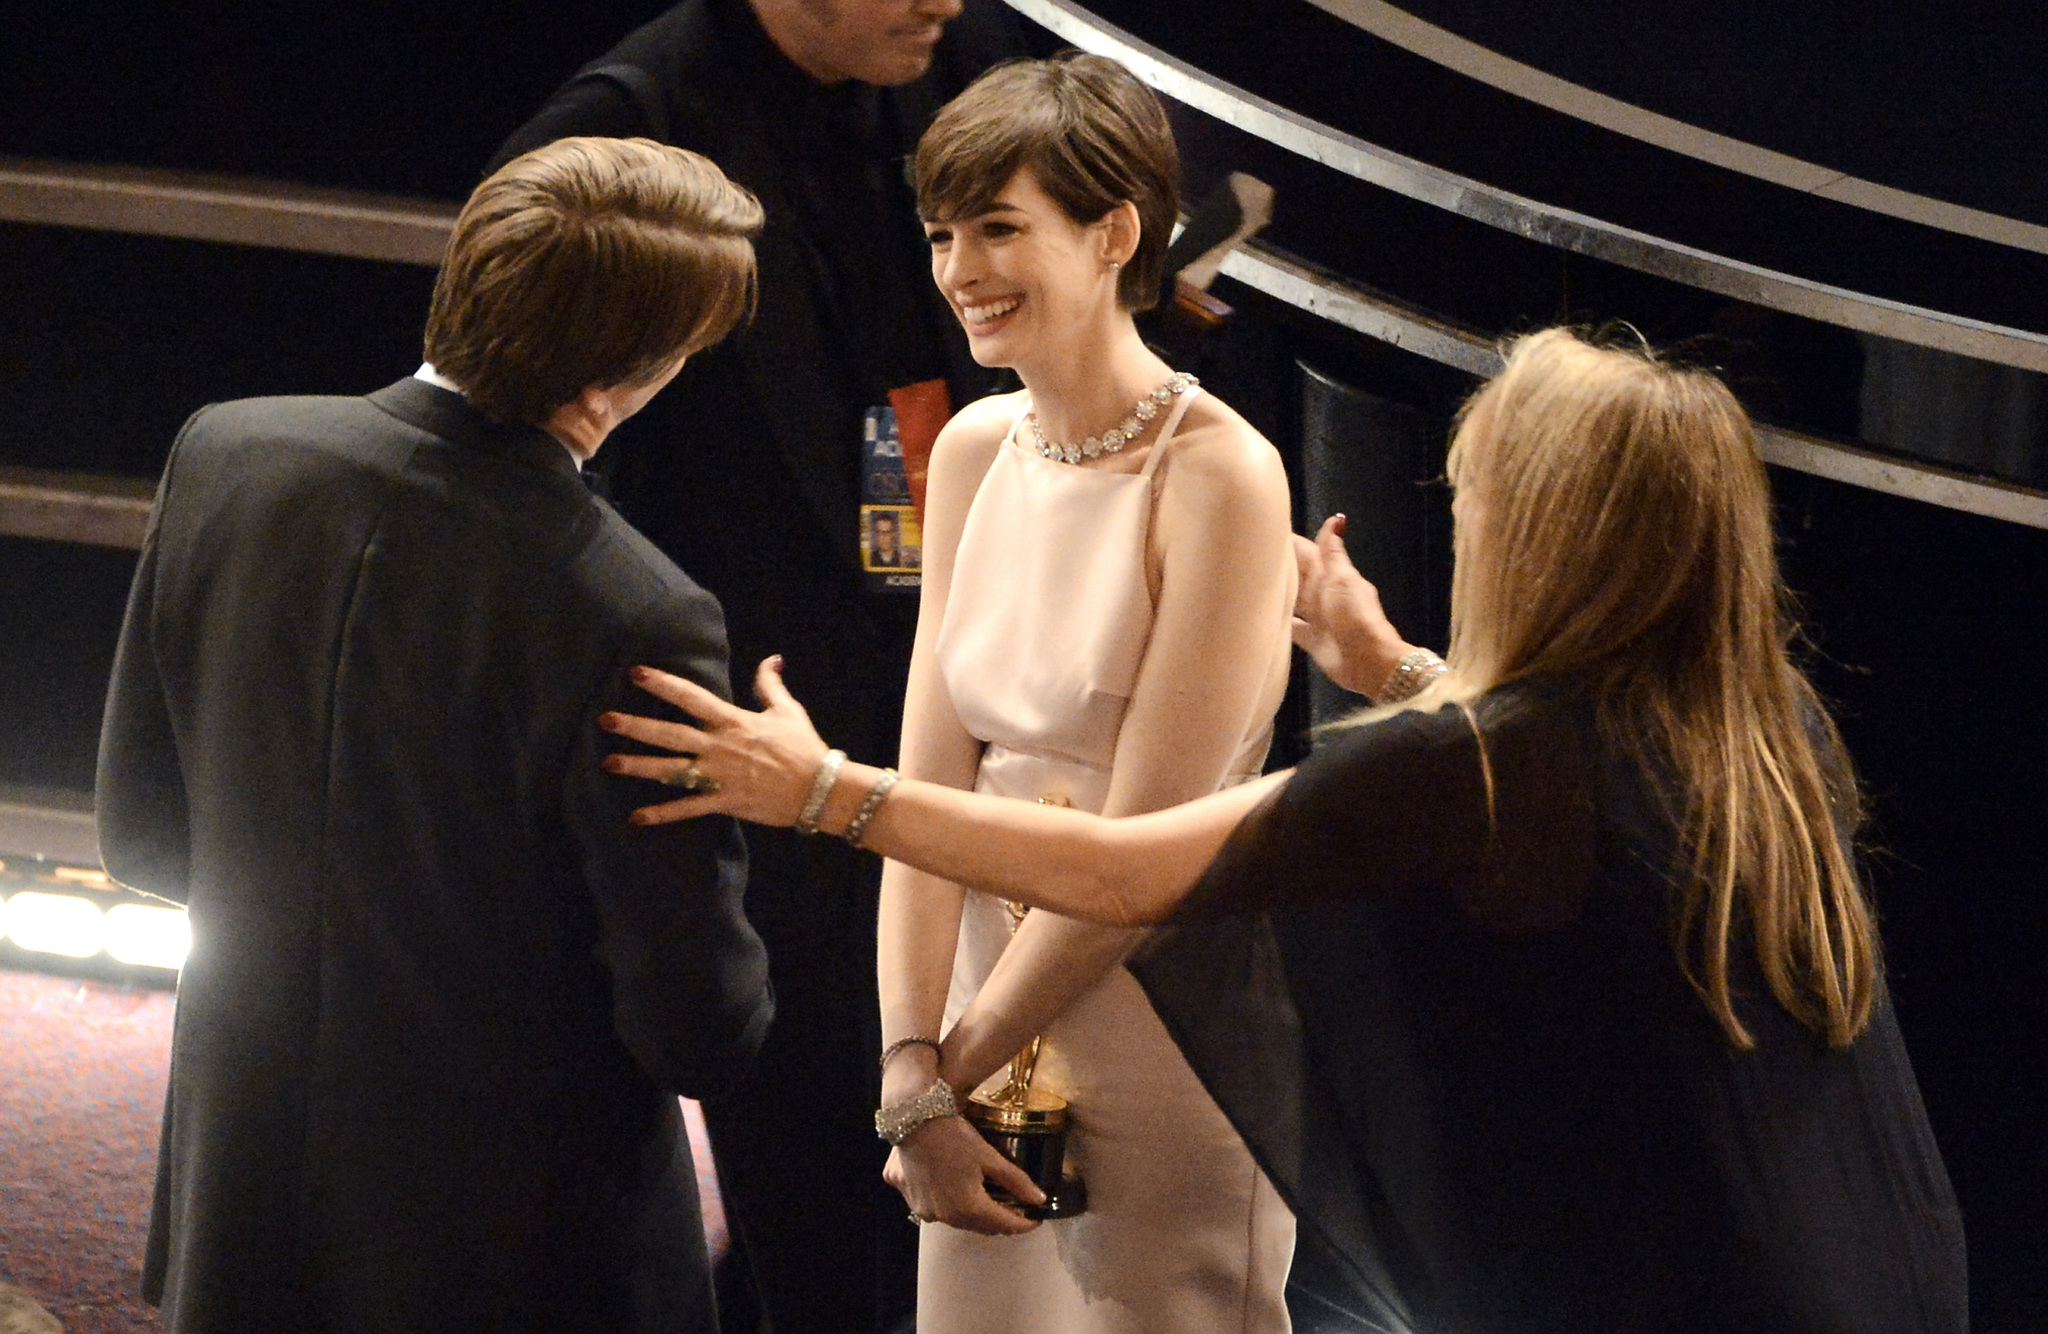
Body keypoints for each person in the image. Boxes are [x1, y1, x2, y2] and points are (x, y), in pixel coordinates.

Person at [605, 328, 1970, 1334]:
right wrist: (1393, 669)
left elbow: (1131, 864)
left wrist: (827, 790)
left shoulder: (1469, 773)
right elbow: (1579, 778)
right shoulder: (1752, 711)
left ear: (1546, 535)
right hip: (1866, 1270)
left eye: (1473, 493)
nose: (1463, 515)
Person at [95, 138, 775, 1333]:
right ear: (628, 371)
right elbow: (694, 1022)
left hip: (241, 1198)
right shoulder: (637, 607)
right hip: (523, 1250)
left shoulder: (226, 452)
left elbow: (145, 839)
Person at [489, 5, 1029, 1327]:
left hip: (954, 656)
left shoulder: (961, 63)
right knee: (803, 1125)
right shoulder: (622, 134)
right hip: (740, 710)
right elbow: (516, 479)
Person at [850, 53, 1297, 1331]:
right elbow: (917, 791)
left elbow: (1134, 857)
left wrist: (943, 1084)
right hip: (968, 1023)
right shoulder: (978, 447)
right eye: (943, 233)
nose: (959, 270)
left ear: (1112, 235)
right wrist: (909, 1059)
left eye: (999, 227)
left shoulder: (1220, 474)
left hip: (1160, 1021)